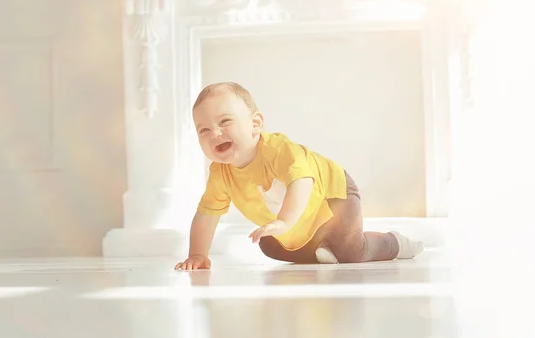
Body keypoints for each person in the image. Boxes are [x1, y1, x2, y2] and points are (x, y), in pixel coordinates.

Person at [174, 82, 424, 271]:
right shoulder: (220, 174)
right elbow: (207, 215)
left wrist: (283, 222)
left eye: (225, 122)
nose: (215, 133)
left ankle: (395, 243)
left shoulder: (278, 150)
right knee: (269, 245)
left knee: (352, 252)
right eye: (203, 130)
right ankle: (321, 250)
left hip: (333, 193)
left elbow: (301, 182)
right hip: (299, 218)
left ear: (255, 123)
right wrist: (197, 253)